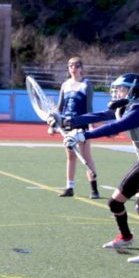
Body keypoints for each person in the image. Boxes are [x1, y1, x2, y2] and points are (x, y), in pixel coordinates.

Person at [61, 73, 139, 264]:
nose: (117, 92)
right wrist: (68, 121)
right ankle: (126, 237)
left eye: (121, 88)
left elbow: (115, 126)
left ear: (133, 90)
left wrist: (83, 136)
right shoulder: (130, 106)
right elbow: (103, 115)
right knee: (115, 203)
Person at [55, 57, 99, 199]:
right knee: (71, 156)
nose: (73, 68)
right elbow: (60, 106)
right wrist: (54, 121)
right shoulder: (65, 85)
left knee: (86, 157)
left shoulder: (86, 85)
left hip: (82, 124)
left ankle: (94, 189)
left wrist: (91, 124)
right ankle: (70, 187)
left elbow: (89, 107)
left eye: (76, 65)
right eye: (71, 65)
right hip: (68, 125)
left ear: (81, 68)